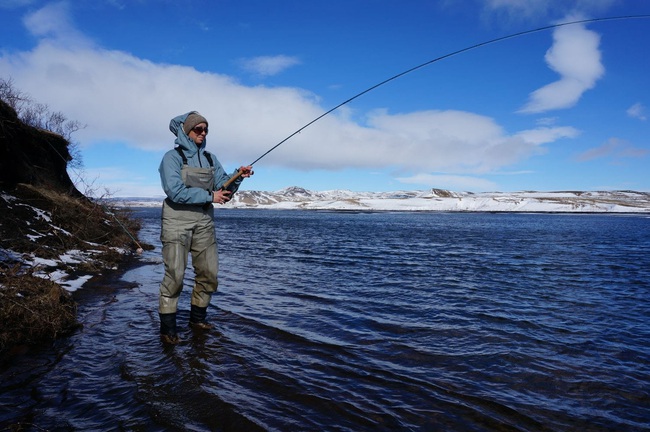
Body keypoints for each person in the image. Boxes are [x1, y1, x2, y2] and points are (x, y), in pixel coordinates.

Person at [157, 111, 253, 344]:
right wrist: (211, 195)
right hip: (176, 222)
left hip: (204, 222)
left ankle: (197, 319)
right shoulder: (172, 157)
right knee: (175, 276)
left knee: (209, 274)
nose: (203, 133)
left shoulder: (211, 159)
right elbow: (174, 191)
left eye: (205, 129)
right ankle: (168, 329)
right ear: (186, 131)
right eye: (198, 129)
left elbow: (223, 188)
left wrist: (238, 177)